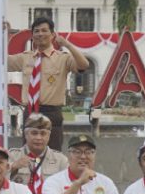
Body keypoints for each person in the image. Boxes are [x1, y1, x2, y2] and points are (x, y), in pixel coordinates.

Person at [6, 16, 90, 149]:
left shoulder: (63, 58)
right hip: (30, 112)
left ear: (52, 35)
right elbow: (1, 61)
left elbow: (84, 65)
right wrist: (2, 36)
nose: (40, 34)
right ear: (32, 36)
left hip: (51, 112)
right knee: (29, 154)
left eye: (44, 30)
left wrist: (67, 45)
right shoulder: (25, 57)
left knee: (52, 156)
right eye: (36, 31)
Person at [7, 113, 68, 194]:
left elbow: (67, 188)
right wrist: (13, 167)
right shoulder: (12, 156)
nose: (38, 138)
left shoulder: (60, 160)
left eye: (43, 134)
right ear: (26, 134)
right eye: (34, 133)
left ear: (49, 136)